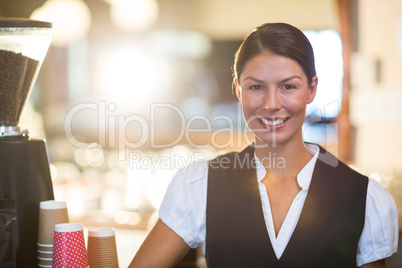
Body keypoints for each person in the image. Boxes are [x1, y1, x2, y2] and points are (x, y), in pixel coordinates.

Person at [129, 23, 398, 268]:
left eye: (288, 87)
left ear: (311, 89)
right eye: (256, 87)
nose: (270, 104)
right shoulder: (199, 185)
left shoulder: (365, 198)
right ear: (238, 89)